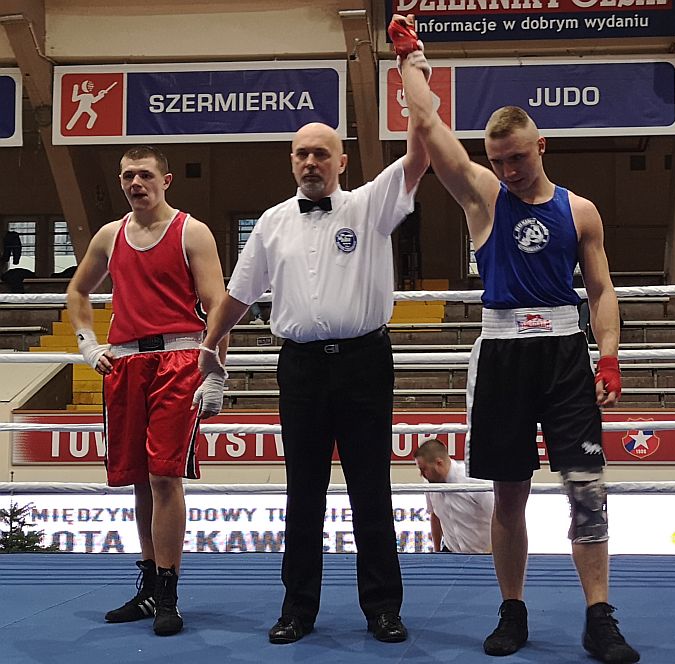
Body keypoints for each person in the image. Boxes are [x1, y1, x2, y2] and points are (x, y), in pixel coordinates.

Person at [394, 14, 638, 663]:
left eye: (518, 158)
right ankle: (512, 609)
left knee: (587, 484)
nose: (508, 169)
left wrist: (609, 358)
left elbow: (602, 290)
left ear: (542, 146)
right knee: (508, 492)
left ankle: (600, 616)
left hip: (564, 352)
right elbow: (430, 129)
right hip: (501, 353)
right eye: (498, 160)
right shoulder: (483, 197)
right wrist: (411, 59)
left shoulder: (580, 210)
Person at [195, 120, 429, 645]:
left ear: (341, 162)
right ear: (291, 161)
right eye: (302, 154)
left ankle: (383, 609)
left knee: (372, 487)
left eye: (321, 154)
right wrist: (208, 349)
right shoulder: (273, 222)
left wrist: (414, 76)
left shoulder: (371, 204)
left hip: (365, 361)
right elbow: (238, 295)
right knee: (303, 491)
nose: (310, 163)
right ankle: (297, 608)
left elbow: (419, 155)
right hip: (299, 365)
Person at [66, 145, 228, 637]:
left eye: (144, 175)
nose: (136, 183)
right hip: (127, 362)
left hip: (179, 359)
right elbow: (78, 291)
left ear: (167, 179)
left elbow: (218, 303)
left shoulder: (191, 231)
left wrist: (217, 370)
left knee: (163, 477)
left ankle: (169, 591)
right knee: (139, 477)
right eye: (127, 176)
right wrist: (88, 344)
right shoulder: (108, 235)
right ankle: (149, 586)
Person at [413, 438, 494, 553]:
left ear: (439, 463)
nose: (421, 474)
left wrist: (492, 554)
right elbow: (435, 517)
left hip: (484, 555)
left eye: (424, 469)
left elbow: (500, 517)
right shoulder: (429, 485)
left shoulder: (474, 480)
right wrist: (437, 553)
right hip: (450, 553)